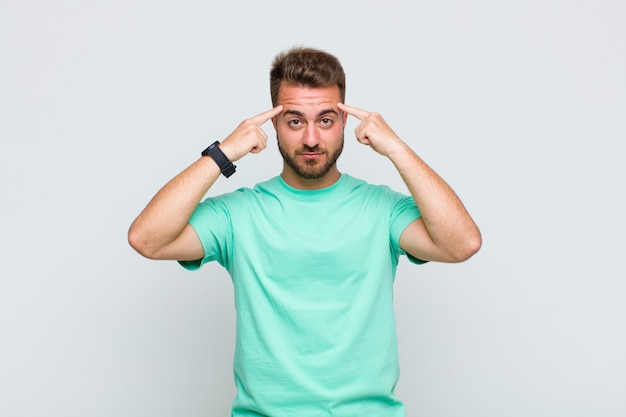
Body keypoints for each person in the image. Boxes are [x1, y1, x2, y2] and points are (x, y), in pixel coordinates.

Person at [128, 47, 481, 417]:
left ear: (345, 122)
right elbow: (147, 239)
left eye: (326, 120)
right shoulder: (240, 214)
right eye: (295, 121)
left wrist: (396, 148)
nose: (311, 139)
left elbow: (462, 244)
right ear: (274, 126)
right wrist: (224, 152)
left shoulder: (382, 209)